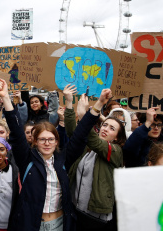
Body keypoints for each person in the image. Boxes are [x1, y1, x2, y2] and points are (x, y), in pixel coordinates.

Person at [0, 80, 90, 231]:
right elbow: (17, 131)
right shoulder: (27, 160)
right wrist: (6, 98)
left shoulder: (63, 159)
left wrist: (94, 108)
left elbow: (80, 135)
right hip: (32, 224)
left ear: (56, 141)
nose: (47, 143)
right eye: (42, 139)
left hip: (60, 224)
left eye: (51, 139)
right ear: (35, 141)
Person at [65, 89, 124, 231]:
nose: (105, 129)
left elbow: (95, 142)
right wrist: (68, 102)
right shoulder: (88, 147)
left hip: (95, 217)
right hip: (75, 208)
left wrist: (85, 115)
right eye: (104, 125)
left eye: (112, 128)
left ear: (116, 137)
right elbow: (74, 133)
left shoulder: (116, 151)